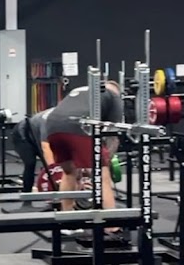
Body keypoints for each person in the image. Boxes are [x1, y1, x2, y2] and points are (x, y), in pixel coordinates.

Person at [46, 80, 123, 217]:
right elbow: (113, 134)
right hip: (79, 125)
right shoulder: (114, 95)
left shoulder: (80, 89)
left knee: (69, 172)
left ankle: (67, 218)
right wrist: (106, 161)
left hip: (52, 125)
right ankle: (112, 226)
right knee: (102, 175)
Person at [11, 108, 55, 192]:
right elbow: (45, 147)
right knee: (30, 163)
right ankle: (26, 193)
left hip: (36, 134)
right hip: (22, 135)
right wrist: (54, 171)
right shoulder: (47, 120)